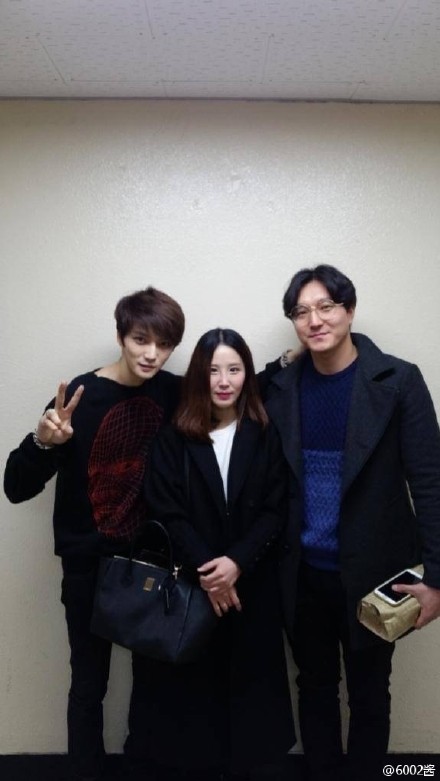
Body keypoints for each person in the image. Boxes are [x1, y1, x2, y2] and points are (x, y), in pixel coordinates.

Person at [265, 264, 440, 781]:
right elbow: (228, 389)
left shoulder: (398, 380)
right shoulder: (281, 386)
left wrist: (437, 578)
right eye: (301, 312)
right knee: (314, 688)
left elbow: (429, 481)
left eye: (326, 307)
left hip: (374, 574)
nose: (315, 320)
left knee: (369, 692)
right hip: (302, 573)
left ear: (350, 310)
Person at [3, 287, 185, 781]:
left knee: (156, 683)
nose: (151, 354)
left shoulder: (172, 391)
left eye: (163, 344)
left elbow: (233, 387)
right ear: (121, 336)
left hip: (151, 565)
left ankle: (145, 767)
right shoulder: (79, 399)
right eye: (141, 339)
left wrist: (286, 362)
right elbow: (15, 488)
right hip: (88, 566)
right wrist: (43, 443)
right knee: (88, 683)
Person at [136, 328, 295, 781]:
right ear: (197, 376)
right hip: (193, 586)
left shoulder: (264, 432)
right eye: (212, 371)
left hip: (251, 585)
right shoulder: (173, 437)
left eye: (234, 369)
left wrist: (236, 563)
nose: (224, 381)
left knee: (253, 699)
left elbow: (275, 508)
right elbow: (166, 511)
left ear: (247, 374)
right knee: (191, 703)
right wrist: (211, 572)